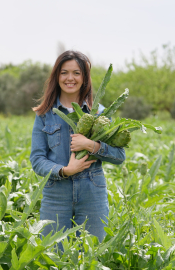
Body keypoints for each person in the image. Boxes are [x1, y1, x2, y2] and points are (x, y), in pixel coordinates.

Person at [30, 50, 126, 243]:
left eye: (76, 73)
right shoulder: (45, 114)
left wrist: (91, 145)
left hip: (92, 192)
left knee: (91, 254)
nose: (70, 78)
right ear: (57, 76)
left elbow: (119, 156)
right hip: (56, 193)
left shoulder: (100, 113)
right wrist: (65, 170)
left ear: (84, 77)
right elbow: (37, 159)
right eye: (64, 72)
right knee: (53, 253)